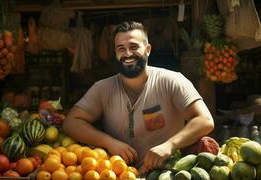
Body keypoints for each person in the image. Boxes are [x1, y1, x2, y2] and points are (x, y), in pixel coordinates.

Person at [62, 21, 214, 172]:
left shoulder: (171, 81)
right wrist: (108, 142)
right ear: (115, 53)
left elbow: (205, 120)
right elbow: (71, 123)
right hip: (118, 176)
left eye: (133, 47)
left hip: (166, 177)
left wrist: (170, 145)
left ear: (147, 49)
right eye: (121, 48)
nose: (127, 54)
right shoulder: (103, 89)